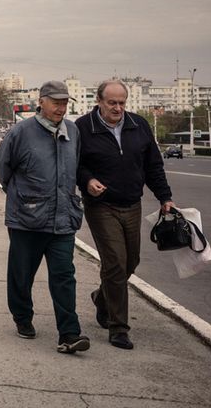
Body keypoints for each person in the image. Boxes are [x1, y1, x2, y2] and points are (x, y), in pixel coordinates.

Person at [76, 79, 175, 350]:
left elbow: (153, 165)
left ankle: (102, 298)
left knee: (131, 261)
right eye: (112, 103)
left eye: (122, 102)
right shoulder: (84, 127)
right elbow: (76, 164)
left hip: (132, 203)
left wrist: (165, 197)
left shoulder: (138, 124)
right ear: (99, 101)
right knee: (116, 264)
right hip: (101, 205)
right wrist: (87, 181)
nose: (118, 108)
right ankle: (118, 327)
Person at [0, 80, 89, 354]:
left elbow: (75, 164)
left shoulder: (72, 131)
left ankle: (70, 334)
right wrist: (23, 198)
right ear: (42, 101)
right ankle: (23, 318)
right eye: (56, 102)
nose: (61, 108)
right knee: (21, 275)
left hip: (62, 219)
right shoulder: (21, 132)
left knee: (64, 275)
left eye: (64, 103)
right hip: (27, 219)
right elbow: (4, 168)